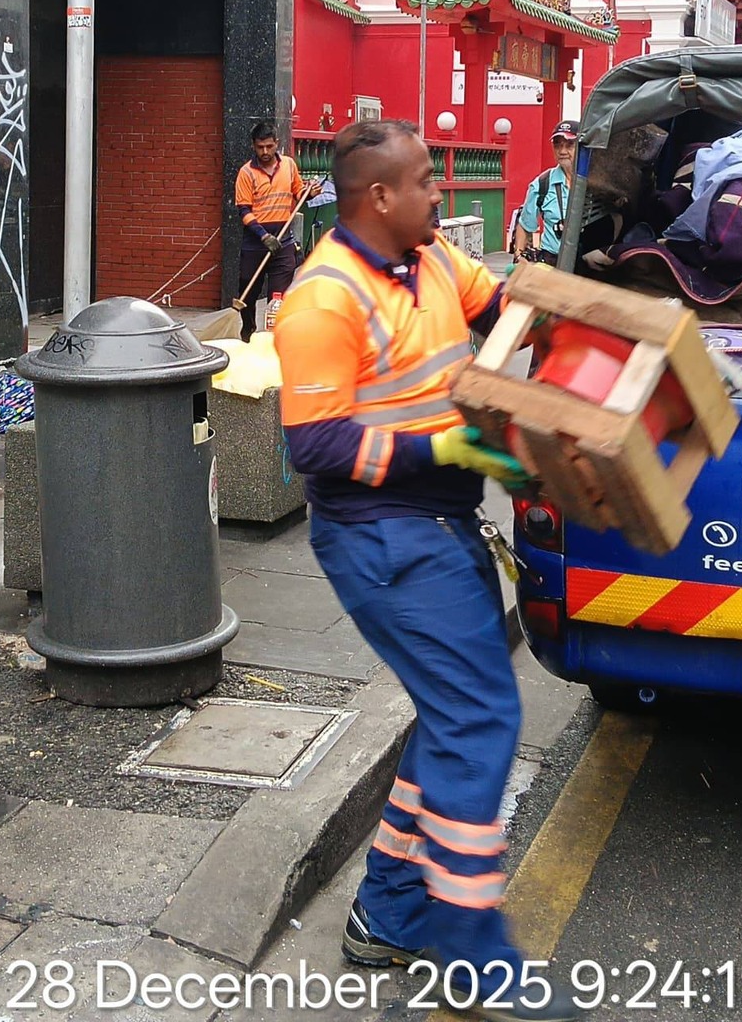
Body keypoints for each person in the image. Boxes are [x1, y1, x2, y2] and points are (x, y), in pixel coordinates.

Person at [274, 119, 577, 1022]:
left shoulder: (437, 259)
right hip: (382, 537)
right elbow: (316, 446)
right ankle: (473, 954)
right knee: (480, 717)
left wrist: (587, 315)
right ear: (377, 198)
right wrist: (448, 442)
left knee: (451, 717)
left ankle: (389, 913)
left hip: (444, 520)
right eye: (424, 183)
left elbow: (504, 312)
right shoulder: (320, 300)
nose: (441, 195)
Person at [233, 121, 305, 339]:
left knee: (278, 296)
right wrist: (263, 236)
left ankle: (275, 336)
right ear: (254, 146)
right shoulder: (246, 173)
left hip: (283, 240)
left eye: (269, 146)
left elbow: (298, 191)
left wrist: (308, 192)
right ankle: (248, 330)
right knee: (248, 290)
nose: (265, 152)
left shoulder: (289, 166)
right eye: (260, 147)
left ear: (277, 144)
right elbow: (244, 210)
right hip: (256, 241)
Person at [514, 120, 578, 264]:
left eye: (569, 145)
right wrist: (519, 256)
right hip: (552, 261)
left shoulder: (594, 182)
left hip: (586, 265)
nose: (562, 151)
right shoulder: (542, 183)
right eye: (557, 145)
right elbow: (525, 225)